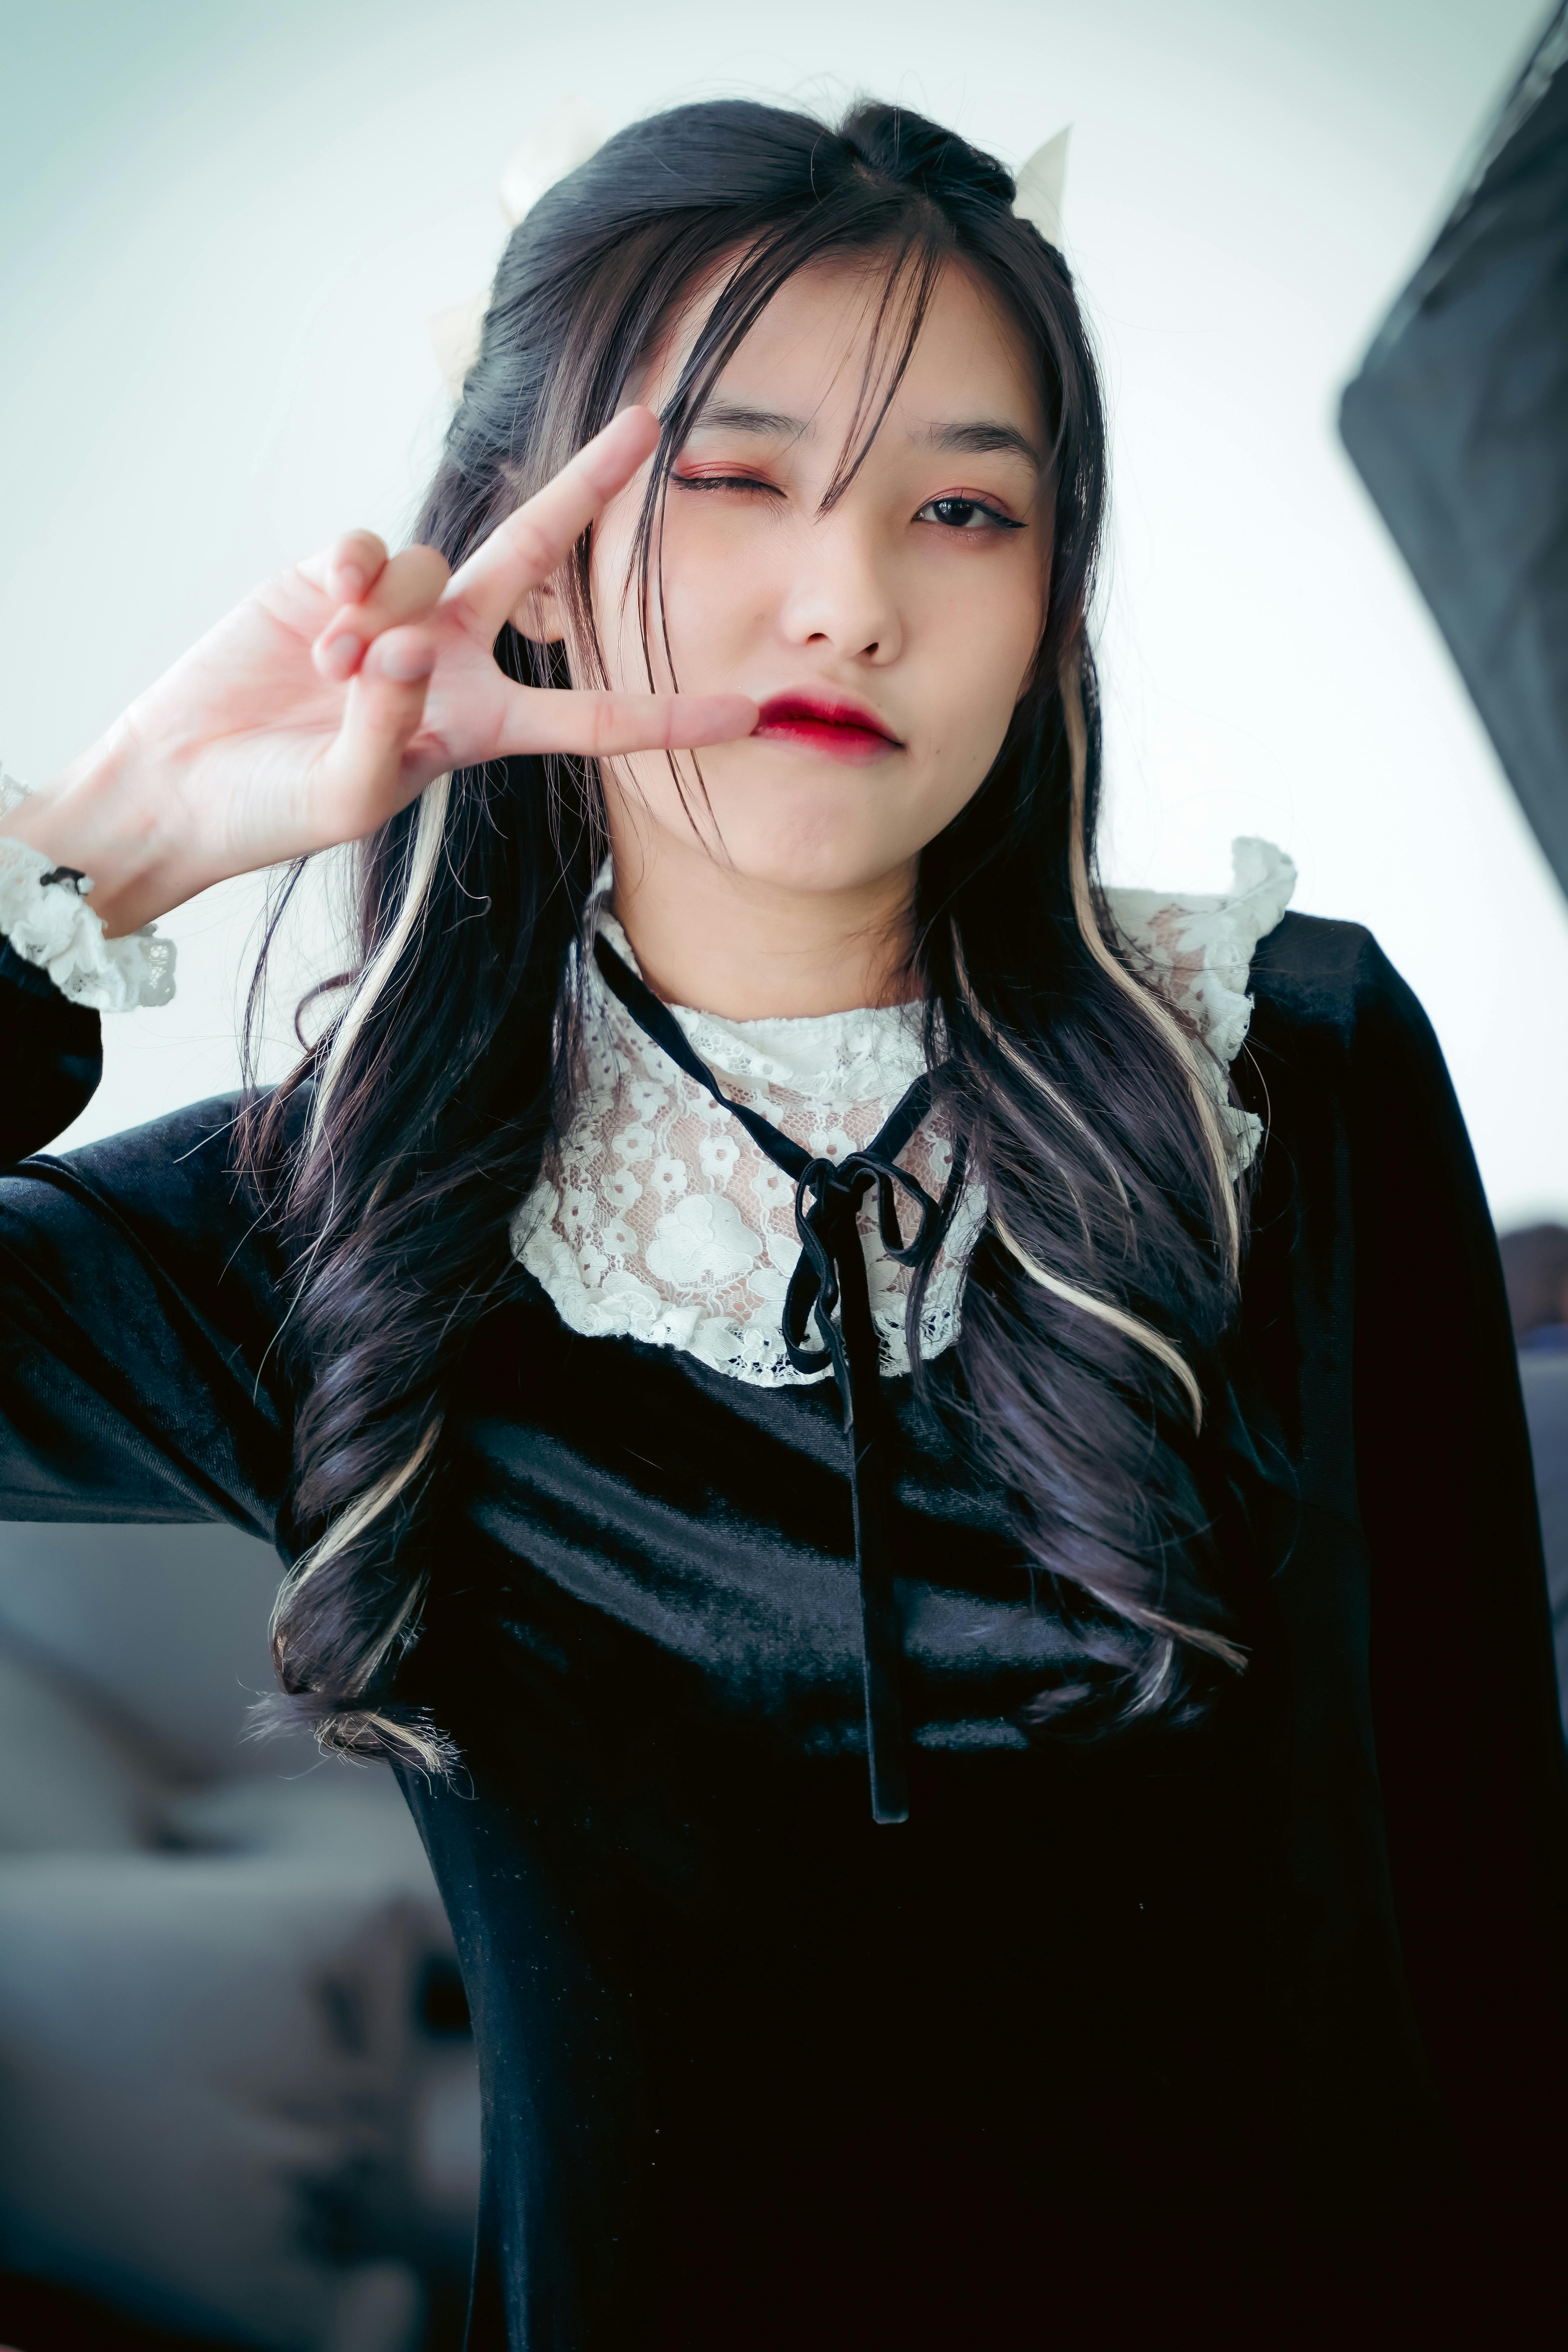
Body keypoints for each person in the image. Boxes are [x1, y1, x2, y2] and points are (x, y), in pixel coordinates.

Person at [2, 98, 1565, 2348]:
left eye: (966, 507)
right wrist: (116, 838)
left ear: (1047, 608)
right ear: (528, 557)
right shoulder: (334, 1214)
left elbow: (1496, 1892)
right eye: (734, 478)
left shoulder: (1280, 1067)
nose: (853, 597)